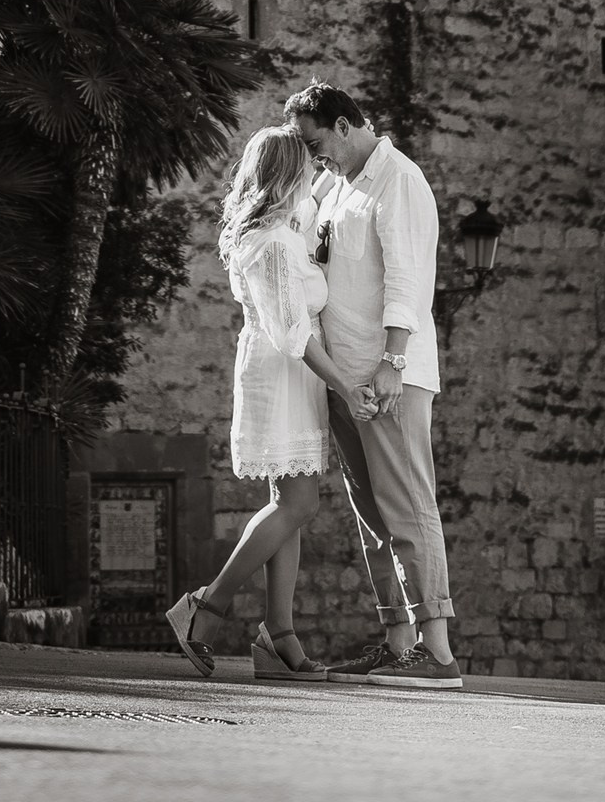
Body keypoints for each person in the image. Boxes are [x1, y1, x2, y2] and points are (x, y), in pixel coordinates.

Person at [285, 79, 463, 691]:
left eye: (317, 143)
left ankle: (437, 654)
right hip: (346, 379)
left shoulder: (399, 179)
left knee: (409, 505)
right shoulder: (334, 188)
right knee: (371, 515)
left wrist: (392, 362)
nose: (315, 157)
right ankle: (398, 643)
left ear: (343, 124)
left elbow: (407, 279)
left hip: (391, 374)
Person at [166, 123, 360, 680]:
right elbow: (293, 335)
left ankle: (279, 637)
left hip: (291, 375)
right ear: (287, 174)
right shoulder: (273, 243)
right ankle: (207, 606)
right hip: (284, 373)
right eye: (307, 165)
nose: (314, 173)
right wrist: (346, 386)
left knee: (290, 505)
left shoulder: (281, 229)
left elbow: (314, 202)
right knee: (298, 504)